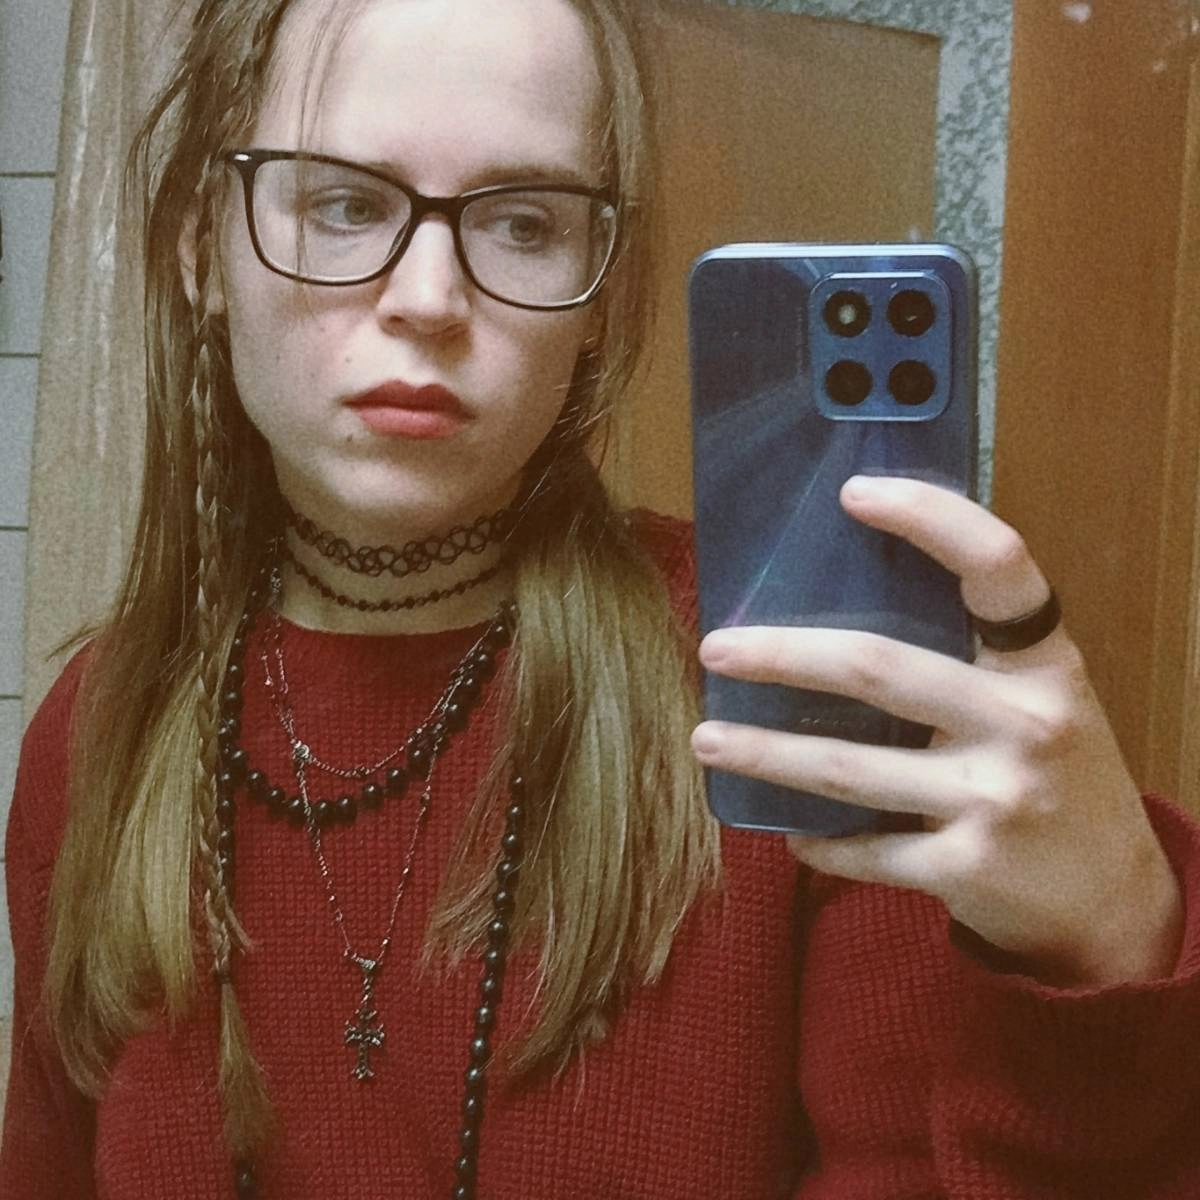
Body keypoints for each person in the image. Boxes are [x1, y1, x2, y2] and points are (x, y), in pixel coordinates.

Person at [2, 0, 1199, 1196]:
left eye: (523, 222)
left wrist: (1106, 947)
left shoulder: (787, 687)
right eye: (344, 204)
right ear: (199, 249)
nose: (428, 297)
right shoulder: (99, 731)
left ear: (598, 301)